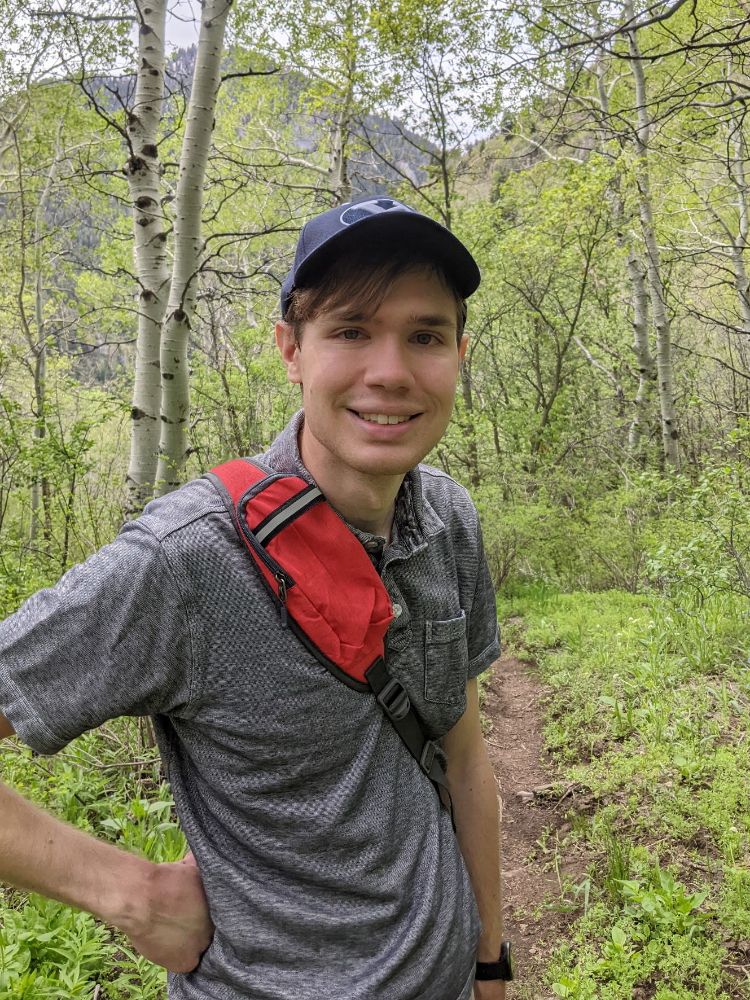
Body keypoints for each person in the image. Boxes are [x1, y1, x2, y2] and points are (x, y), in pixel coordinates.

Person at [0, 195, 509, 999]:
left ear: (459, 354)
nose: (390, 370)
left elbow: (466, 754)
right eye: (350, 330)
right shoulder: (189, 559)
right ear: (290, 350)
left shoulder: (447, 517)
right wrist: (122, 890)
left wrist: (490, 960)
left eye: (425, 336)